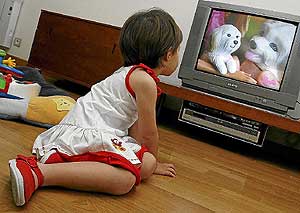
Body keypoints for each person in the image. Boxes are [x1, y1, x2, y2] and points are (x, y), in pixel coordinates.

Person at [8, 8, 183, 207]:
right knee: (125, 180)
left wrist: (148, 161)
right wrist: (155, 161)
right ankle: (36, 172)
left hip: (95, 130)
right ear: (168, 55)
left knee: (145, 165)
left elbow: (133, 123)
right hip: (90, 131)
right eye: (178, 50)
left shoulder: (129, 73)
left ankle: (70, 165)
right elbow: (149, 132)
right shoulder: (145, 81)